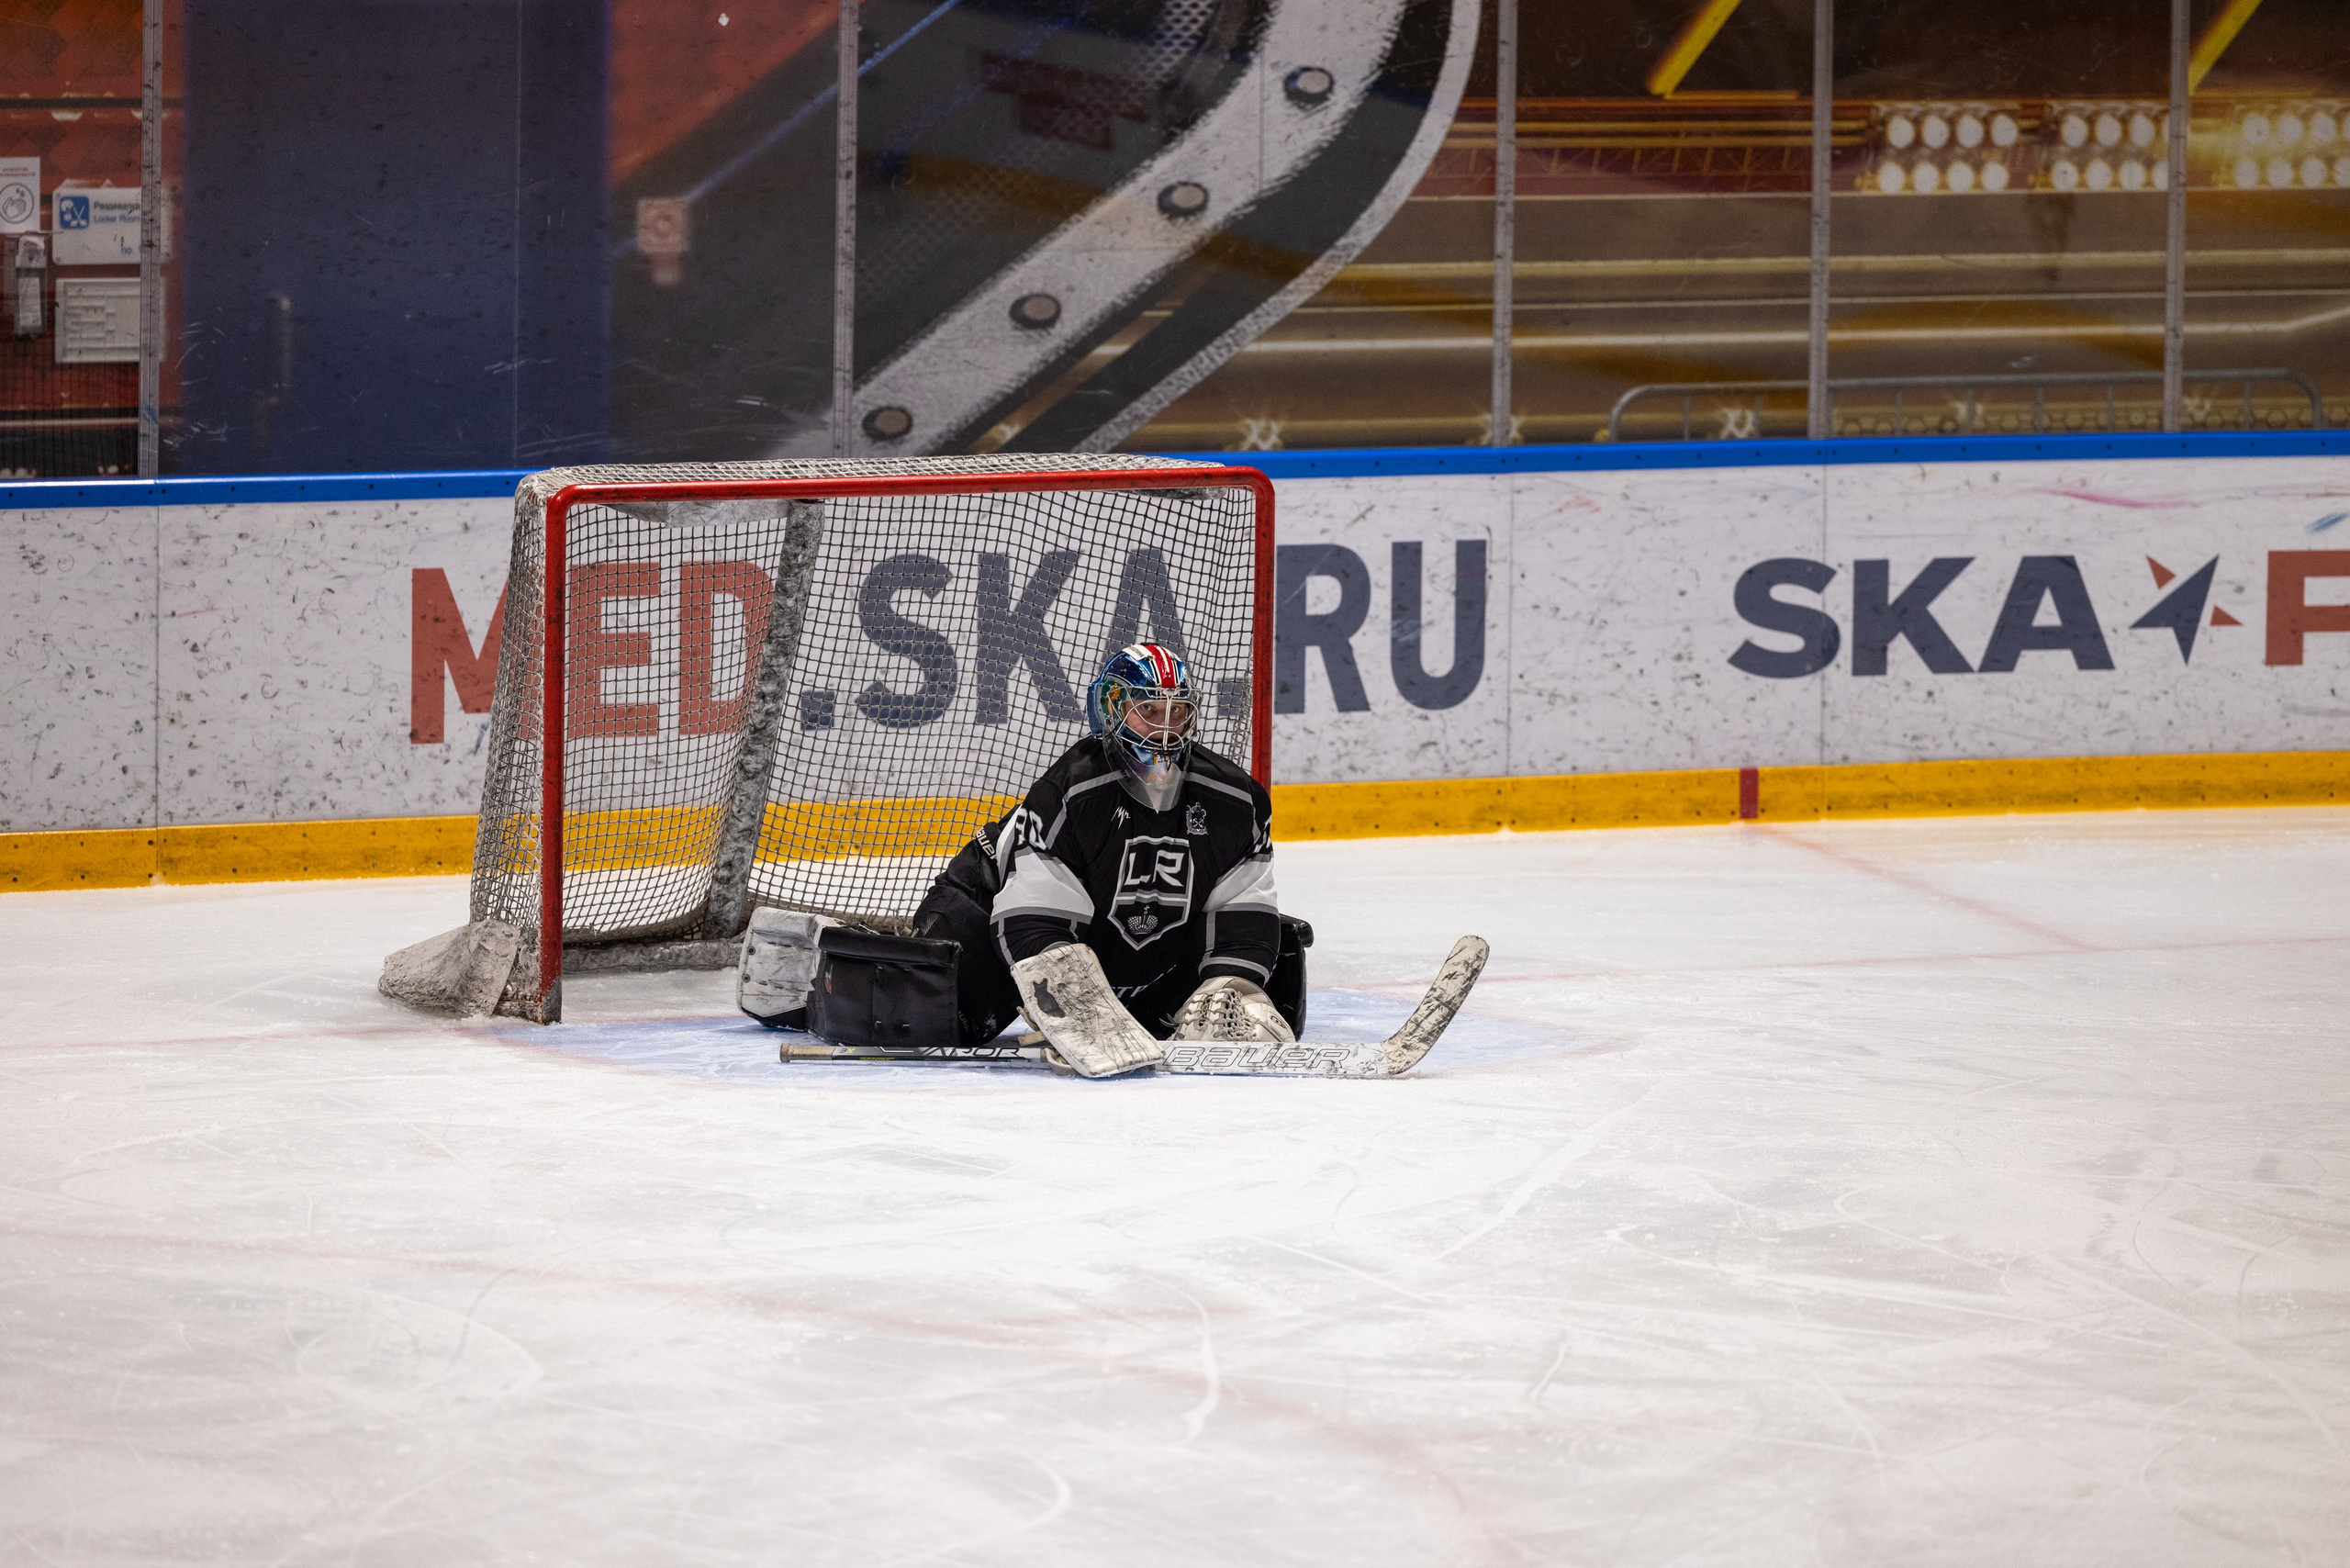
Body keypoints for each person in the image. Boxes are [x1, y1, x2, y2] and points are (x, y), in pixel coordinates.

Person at [910, 643, 1304, 1047]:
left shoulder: (1236, 800)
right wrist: (1065, 992)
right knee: (936, 1022)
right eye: (1147, 710)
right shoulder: (1072, 791)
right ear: (1111, 709)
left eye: (1177, 711)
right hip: (985, 913)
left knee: (1259, 994)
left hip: (1123, 953)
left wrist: (1228, 985)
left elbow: (1242, 912)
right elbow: (1033, 914)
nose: (1164, 727)